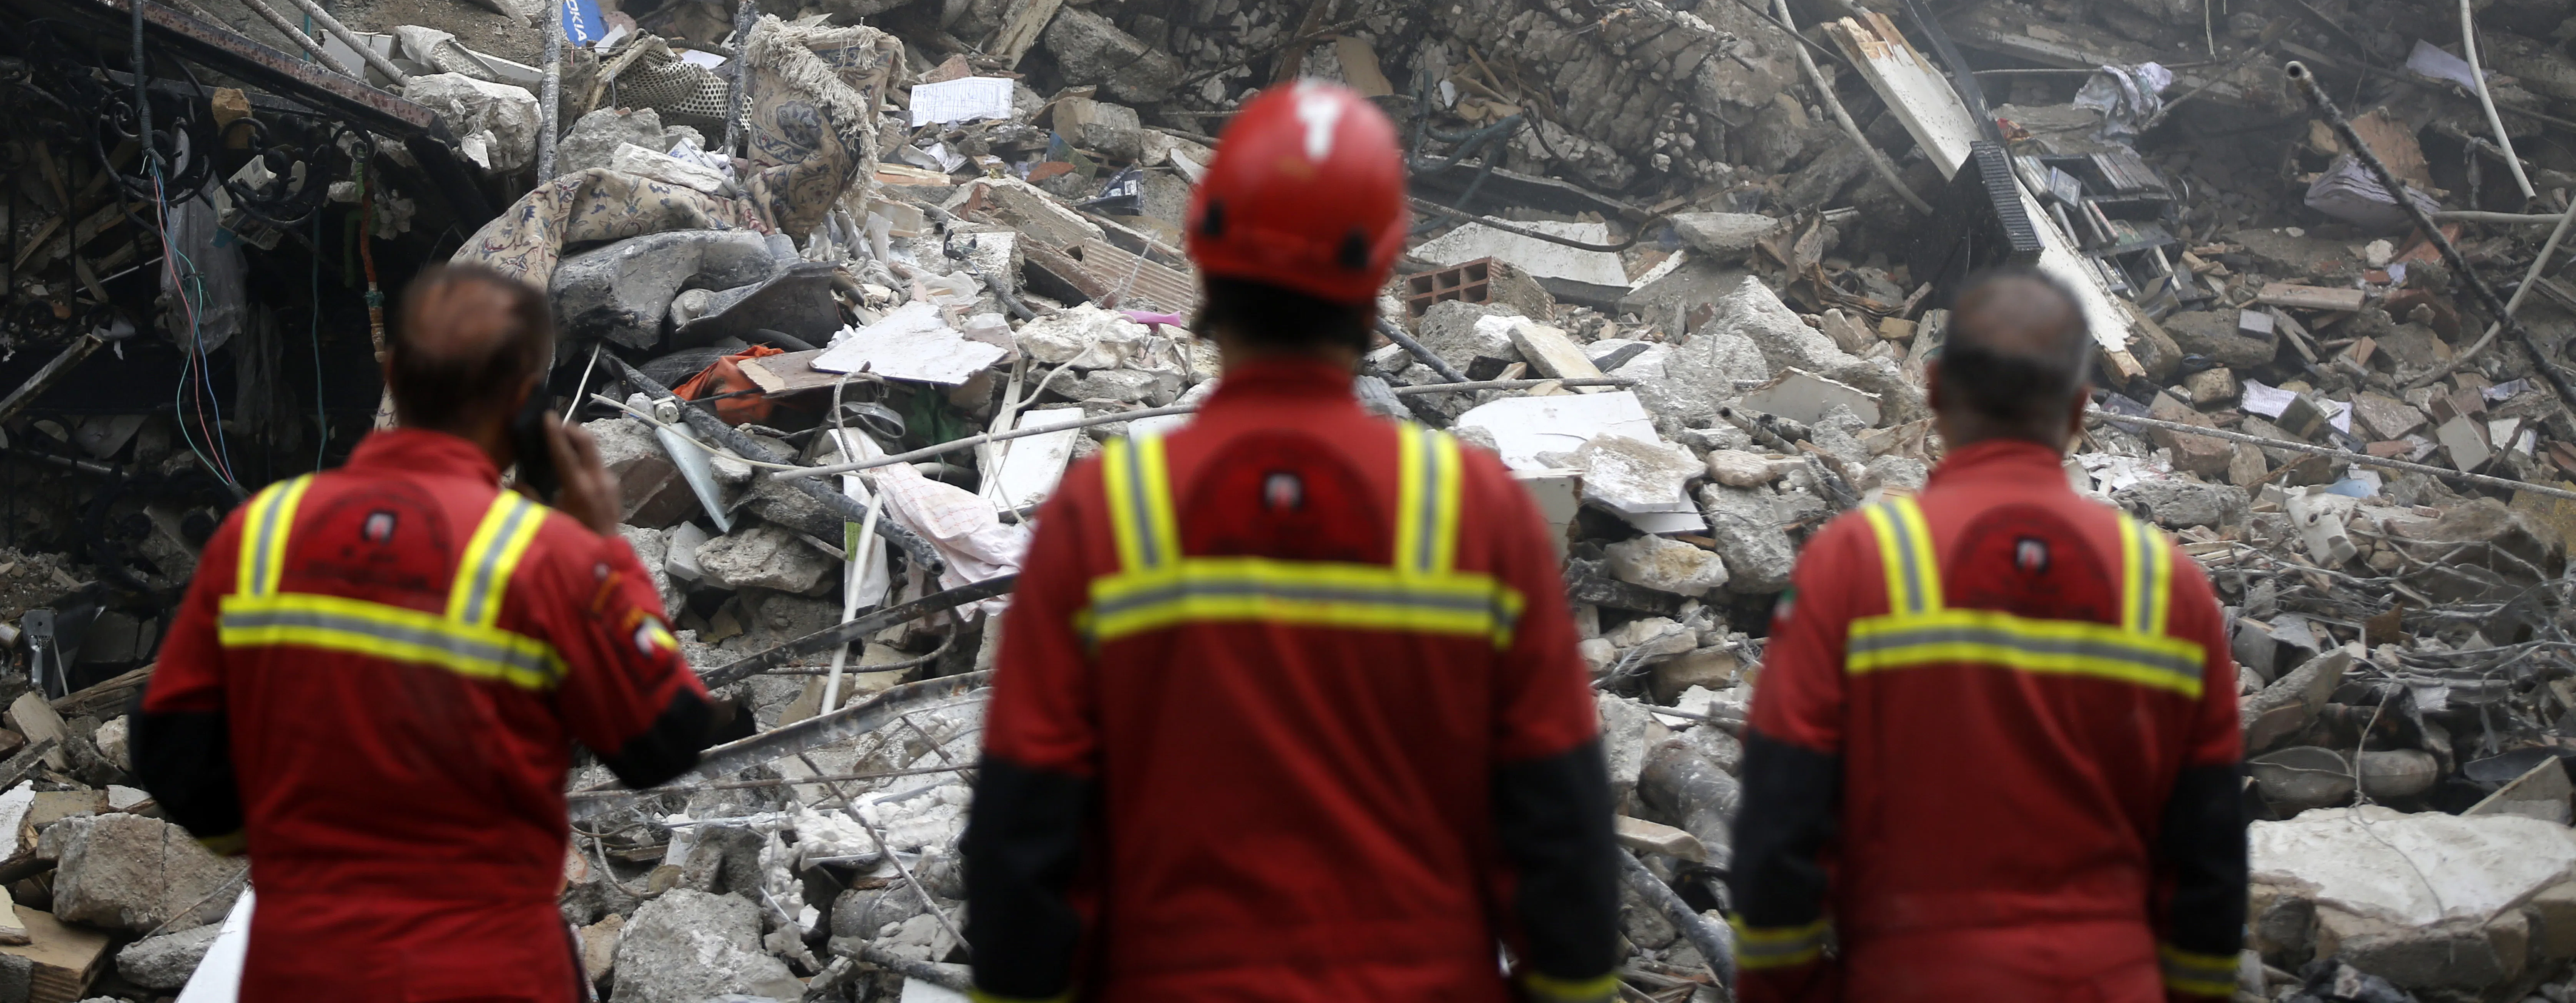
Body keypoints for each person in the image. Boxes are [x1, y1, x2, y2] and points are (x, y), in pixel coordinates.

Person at [962, 80, 1622, 1003]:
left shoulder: (1112, 513)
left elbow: (1021, 841)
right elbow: (1562, 838)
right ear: (1382, 271)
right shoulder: (1474, 516)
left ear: (1204, 252)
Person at [134, 263, 716, 1003]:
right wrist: (603, 546)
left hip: (301, 966)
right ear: (522, 402)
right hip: (490, 972)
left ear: (394, 373)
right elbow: (663, 741)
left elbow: (170, 750)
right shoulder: (549, 559)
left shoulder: (263, 531)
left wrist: (275, 852)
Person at [1728, 267, 2246, 1003]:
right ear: (2078, 411)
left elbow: (1781, 816)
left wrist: (1784, 987)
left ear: (1935, 394)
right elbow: (2210, 849)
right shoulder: (2171, 589)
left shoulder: (1856, 565)